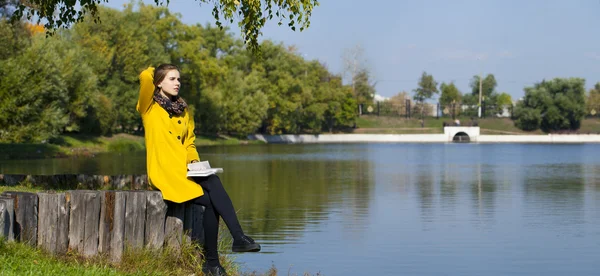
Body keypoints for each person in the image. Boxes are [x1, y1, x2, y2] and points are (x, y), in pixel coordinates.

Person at [136, 64, 260, 276]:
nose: (177, 83)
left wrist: (194, 162)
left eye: (179, 79)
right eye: (172, 79)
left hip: (185, 171)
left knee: (212, 184)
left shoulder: (184, 110)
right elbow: (145, 77)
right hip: (165, 175)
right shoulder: (148, 107)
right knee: (212, 197)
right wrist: (155, 70)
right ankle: (227, 249)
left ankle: (222, 254)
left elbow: (189, 143)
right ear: (159, 83)